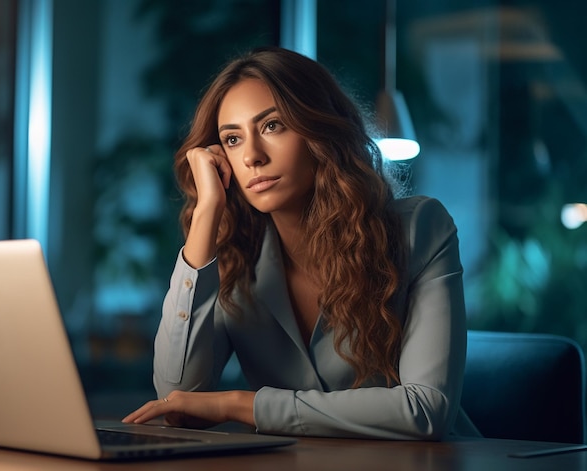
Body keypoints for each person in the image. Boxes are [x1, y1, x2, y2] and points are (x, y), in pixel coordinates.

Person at [122, 46, 475, 440]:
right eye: (233, 139)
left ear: (319, 131)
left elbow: (426, 409)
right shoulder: (233, 257)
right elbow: (176, 398)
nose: (252, 156)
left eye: (272, 126)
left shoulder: (419, 228)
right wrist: (206, 215)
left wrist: (242, 405)